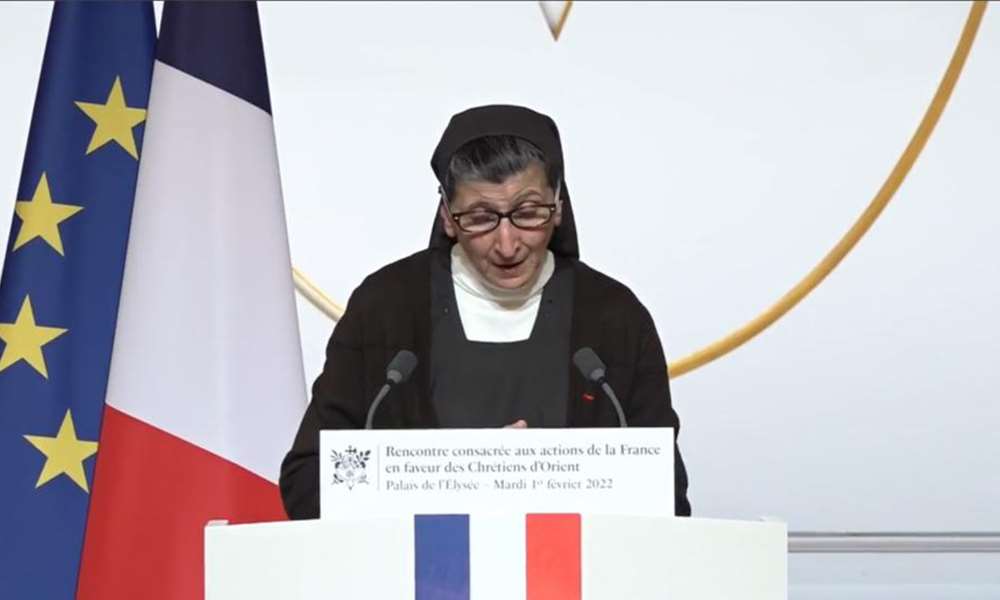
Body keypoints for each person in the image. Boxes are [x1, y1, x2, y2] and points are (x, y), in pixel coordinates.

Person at [280, 105, 691, 517]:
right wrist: (470, 482)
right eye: (481, 218)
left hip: (576, 577)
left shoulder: (614, 318)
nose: (508, 243)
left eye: (529, 214)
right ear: (447, 217)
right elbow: (308, 481)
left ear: (559, 206)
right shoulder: (386, 308)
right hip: (418, 577)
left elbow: (665, 494)